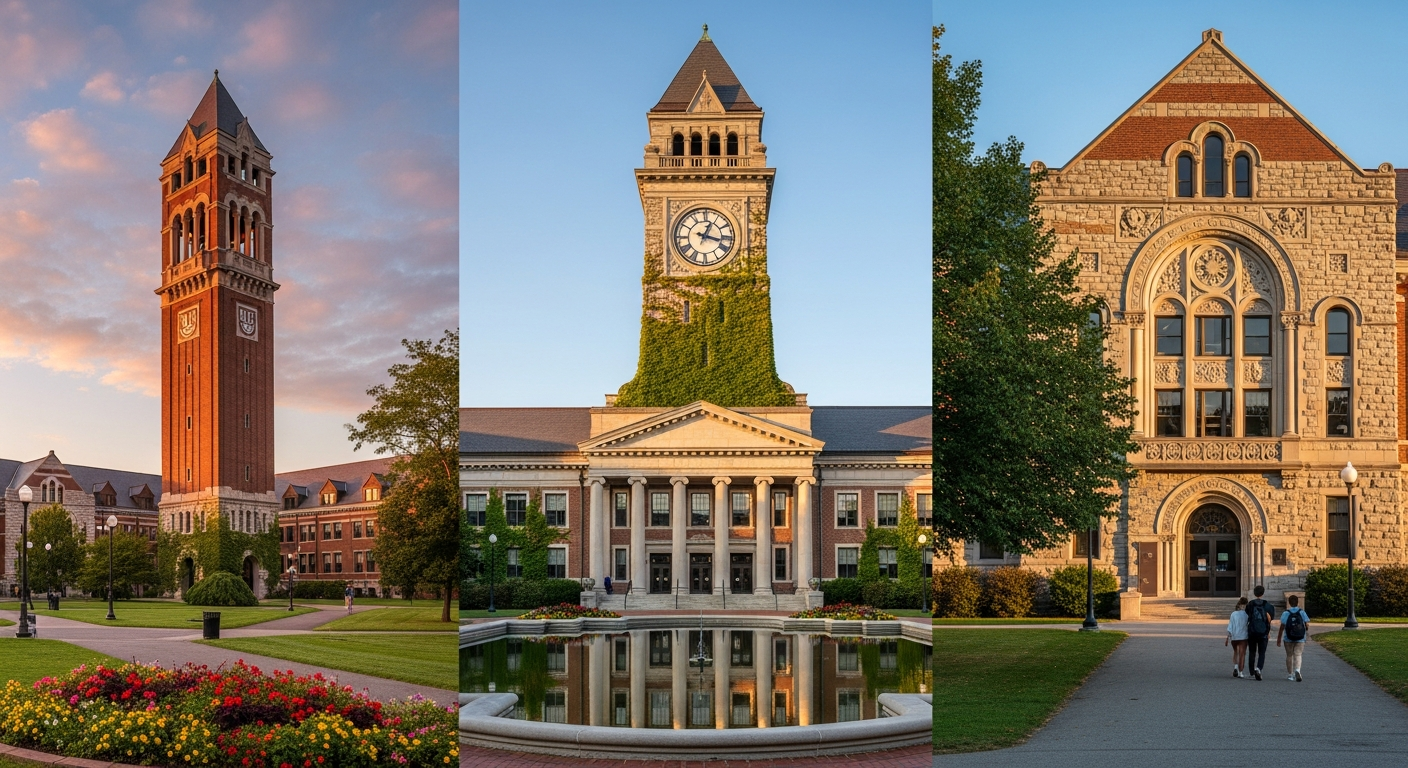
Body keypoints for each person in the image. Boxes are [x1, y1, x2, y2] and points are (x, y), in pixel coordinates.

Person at [1277, 594, 1309, 682]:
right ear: (1298, 602)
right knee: (1298, 654)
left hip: (1288, 637)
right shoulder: (1302, 612)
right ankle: (1297, 670)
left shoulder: (1286, 613)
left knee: (1289, 655)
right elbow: (1307, 624)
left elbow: (1282, 626)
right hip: (1300, 638)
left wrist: (1279, 638)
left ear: (1289, 603)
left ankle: (1290, 675)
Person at [1245, 585, 1275, 680]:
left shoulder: (1250, 604)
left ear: (1254, 593)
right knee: (1262, 652)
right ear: (1263, 593)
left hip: (1252, 631)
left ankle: (1251, 672)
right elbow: (1271, 618)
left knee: (1252, 652)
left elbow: (1247, 614)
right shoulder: (1268, 605)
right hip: (1263, 632)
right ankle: (1258, 668)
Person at [1225, 596, 1250, 678]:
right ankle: (1240, 672)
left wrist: (1228, 636)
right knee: (1242, 654)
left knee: (1236, 651)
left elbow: (1230, 625)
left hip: (1234, 636)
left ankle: (1235, 667)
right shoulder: (1247, 615)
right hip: (1243, 636)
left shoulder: (1233, 614)